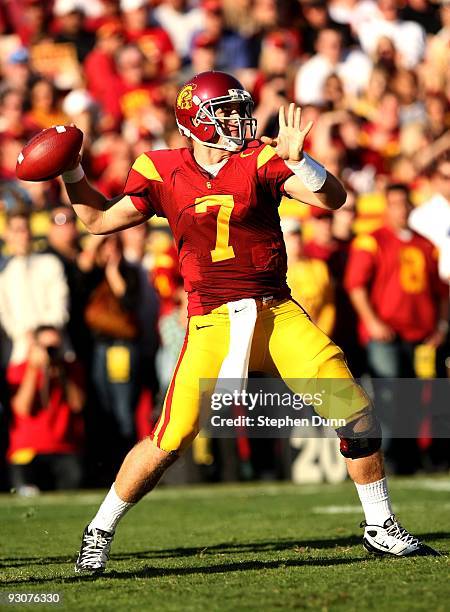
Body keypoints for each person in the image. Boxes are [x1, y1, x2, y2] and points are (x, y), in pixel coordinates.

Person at [55, 71, 437, 572]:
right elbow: (99, 220)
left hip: (275, 312)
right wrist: (71, 172)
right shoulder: (159, 168)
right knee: (170, 438)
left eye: (240, 109)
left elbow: (333, 200)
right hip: (212, 321)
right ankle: (100, 529)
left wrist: (304, 161)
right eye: (227, 111)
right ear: (196, 120)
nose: (239, 119)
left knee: (355, 411)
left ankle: (379, 524)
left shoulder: (259, 158)